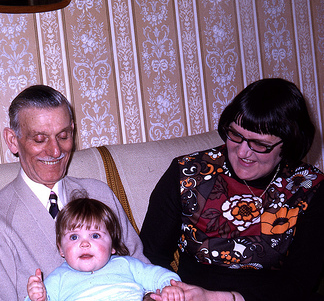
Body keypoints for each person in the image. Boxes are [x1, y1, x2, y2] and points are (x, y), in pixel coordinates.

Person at [139, 78, 324, 301]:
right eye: (236, 135)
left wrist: (217, 298)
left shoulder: (311, 188)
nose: (243, 152)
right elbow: (150, 256)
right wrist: (165, 292)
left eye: (260, 144)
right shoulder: (188, 173)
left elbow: (299, 282)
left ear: (288, 144)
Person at [0, 85, 147, 300]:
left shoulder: (99, 194)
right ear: (13, 141)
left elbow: (144, 273)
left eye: (63, 136)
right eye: (40, 139)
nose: (55, 151)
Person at [26, 197, 184, 301]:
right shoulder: (59, 278)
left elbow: (160, 276)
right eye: (74, 237)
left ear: (113, 245)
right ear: (61, 249)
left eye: (95, 236)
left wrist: (169, 287)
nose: (84, 243)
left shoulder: (127, 264)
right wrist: (38, 296)